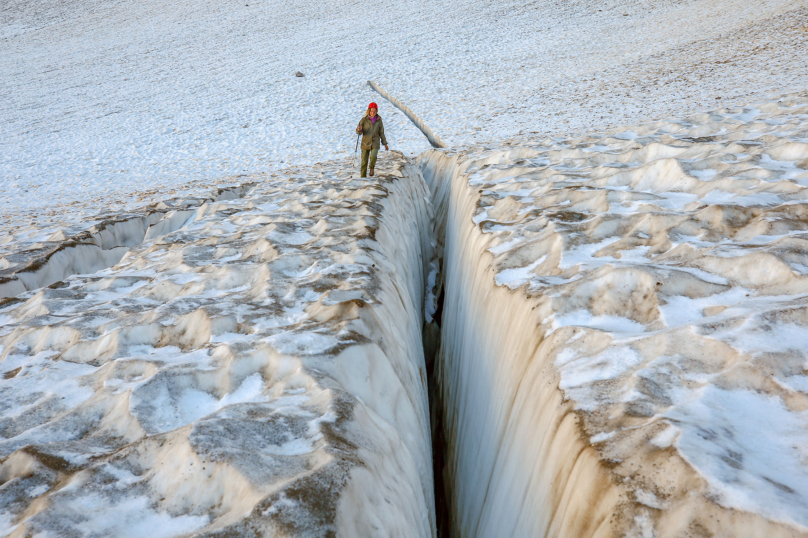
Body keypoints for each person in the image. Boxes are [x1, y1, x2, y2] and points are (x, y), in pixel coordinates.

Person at [355, 102, 389, 177]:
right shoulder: (363, 120)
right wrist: (359, 130)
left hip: (375, 142)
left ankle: (371, 168)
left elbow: (381, 133)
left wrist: (385, 143)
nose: (372, 113)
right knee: (364, 161)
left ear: (376, 111)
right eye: (371, 111)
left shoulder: (379, 121)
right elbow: (358, 132)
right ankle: (363, 177)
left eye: (374, 111)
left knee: (373, 157)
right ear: (368, 111)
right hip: (365, 143)